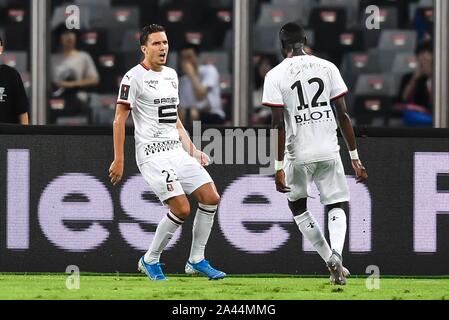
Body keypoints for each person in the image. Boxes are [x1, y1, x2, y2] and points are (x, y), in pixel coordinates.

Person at [109, 24, 225, 281]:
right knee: (182, 208)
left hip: (175, 149)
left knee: (211, 197)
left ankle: (196, 260)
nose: (163, 48)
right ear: (144, 48)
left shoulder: (172, 75)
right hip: (151, 153)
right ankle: (149, 259)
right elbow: (119, 120)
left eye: (165, 43)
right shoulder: (132, 78)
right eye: (156, 44)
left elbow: (174, 120)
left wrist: (192, 149)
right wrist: (119, 158)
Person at [263, 23, 368, 285]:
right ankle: (336, 253)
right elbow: (342, 114)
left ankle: (327, 260)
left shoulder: (274, 75)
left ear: (282, 45)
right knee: (337, 203)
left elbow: (277, 123)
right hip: (328, 149)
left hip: (298, 154)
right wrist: (354, 156)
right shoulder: (328, 67)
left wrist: (277, 167)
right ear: (305, 40)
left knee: (298, 206)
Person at [50, 26, 99, 123]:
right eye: (65, 34)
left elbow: (94, 79)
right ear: (59, 38)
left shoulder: (83, 56)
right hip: (57, 100)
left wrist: (71, 84)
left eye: (71, 34)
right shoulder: (52, 58)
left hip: (78, 99)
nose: (69, 37)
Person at [178, 43, 225, 125]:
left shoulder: (209, 70)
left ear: (197, 57)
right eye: (183, 58)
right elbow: (182, 108)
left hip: (212, 116)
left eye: (189, 57)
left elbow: (200, 95)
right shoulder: (183, 80)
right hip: (191, 117)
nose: (187, 62)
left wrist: (192, 75)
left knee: (194, 113)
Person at [398, 40, 433, 126]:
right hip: (418, 118)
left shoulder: (442, 79)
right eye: (422, 60)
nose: (425, 62)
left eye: (428, 61)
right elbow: (403, 98)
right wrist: (415, 79)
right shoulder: (409, 77)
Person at [0, 36, 29, 124]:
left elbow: (22, 112)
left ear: (1, 49)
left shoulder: (11, 74)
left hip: (7, 135)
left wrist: (25, 136)